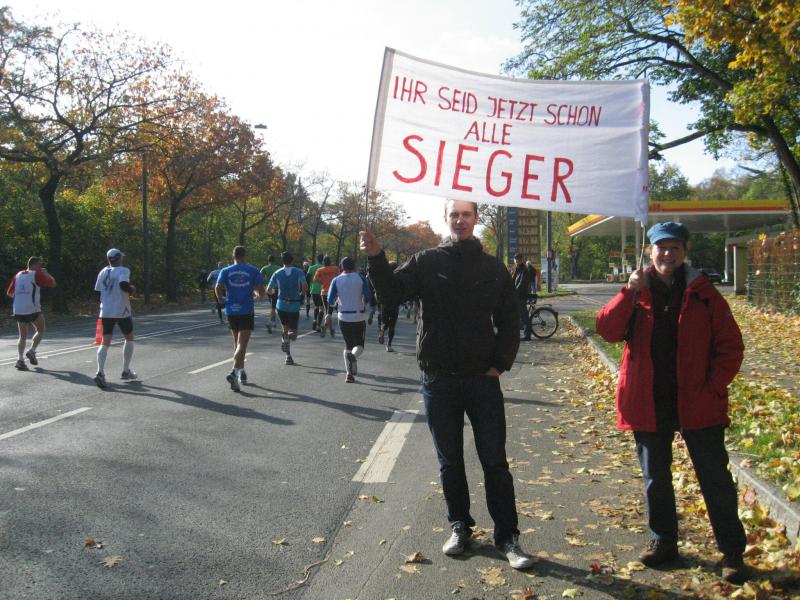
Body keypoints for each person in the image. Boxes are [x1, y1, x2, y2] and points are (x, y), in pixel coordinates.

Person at [361, 199, 534, 570]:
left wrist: (499, 364)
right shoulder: (427, 262)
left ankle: (508, 537)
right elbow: (391, 294)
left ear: (475, 219)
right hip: (439, 380)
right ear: (446, 219)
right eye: (454, 214)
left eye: (466, 214)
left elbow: (510, 319)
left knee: (495, 462)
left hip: (482, 380)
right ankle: (461, 526)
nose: (460, 220)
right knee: (450, 462)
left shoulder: (492, 267)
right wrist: (376, 257)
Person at [595, 222, 748, 585]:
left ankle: (732, 552)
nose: (667, 254)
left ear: (684, 252)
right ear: (650, 252)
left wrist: (714, 386)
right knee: (656, 478)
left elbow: (731, 345)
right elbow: (607, 330)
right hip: (649, 399)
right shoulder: (638, 290)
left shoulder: (704, 292)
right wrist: (628, 292)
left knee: (715, 478)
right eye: (661, 247)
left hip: (698, 400)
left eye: (674, 247)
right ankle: (664, 542)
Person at [215, 246, 266, 391]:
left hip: (231, 310)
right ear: (245, 256)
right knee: (242, 344)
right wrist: (258, 296)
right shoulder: (253, 270)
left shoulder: (225, 271)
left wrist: (221, 299)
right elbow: (261, 290)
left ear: (233, 256)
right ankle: (234, 371)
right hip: (246, 310)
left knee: (237, 342)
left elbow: (218, 287)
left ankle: (241, 372)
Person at [93, 249, 137, 388]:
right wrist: (132, 289)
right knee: (129, 337)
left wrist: (105, 302)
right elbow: (123, 285)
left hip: (106, 311)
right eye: (121, 257)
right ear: (119, 258)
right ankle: (125, 370)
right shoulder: (123, 270)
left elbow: (97, 291)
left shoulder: (103, 271)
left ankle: (100, 372)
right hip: (121, 310)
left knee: (105, 341)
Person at [6, 257, 57, 370]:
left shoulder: (18, 275)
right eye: (39, 265)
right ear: (33, 265)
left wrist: (21, 298)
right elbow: (53, 284)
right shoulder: (37, 274)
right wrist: (46, 273)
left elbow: (9, 293)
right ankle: (32, 350)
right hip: (32, 309)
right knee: (41, 329)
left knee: (22, 336)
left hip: (18, 310)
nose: (41, 267)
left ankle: (20, 360)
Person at [327, 257, 372, 382]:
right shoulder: (361, 278)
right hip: (358, 316)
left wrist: (336, 305)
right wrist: (365, 304)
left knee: (348, 345)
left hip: (343, 316)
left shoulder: (336, 280)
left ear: (341, 267)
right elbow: (368, 296)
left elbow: (330, 299)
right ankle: (353, 356)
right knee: (359, 346)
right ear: (354, 266)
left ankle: (349, 374)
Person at [266, 251, 307, 365]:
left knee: (284, 329)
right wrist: (302, 294)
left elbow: (268, 290)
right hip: (294, 305)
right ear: (292, 260)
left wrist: (274, 292)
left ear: (282, 261)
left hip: (281, 305)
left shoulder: (277, 273)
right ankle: (288, 337)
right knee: (293, 335)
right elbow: (304, 285)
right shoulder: (298, 272)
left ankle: (288, 356)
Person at [312, 256, 341, 338]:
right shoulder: (335, 269)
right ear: (330, 262)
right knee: (329, 312)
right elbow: (340, 278)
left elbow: (315, 280)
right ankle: (325, 326)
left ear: (323, 262)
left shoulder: (320, 270)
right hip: (333, 293)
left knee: (328, 311)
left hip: (324, 292)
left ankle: (331, 329)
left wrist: (323, 282)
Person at [374, 261, 399, 352]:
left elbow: (377, 289)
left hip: (384, 303)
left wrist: (378, 300)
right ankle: (389, 345)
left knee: (384, 321)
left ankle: (382, 328)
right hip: (394, 303)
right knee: (392, 325)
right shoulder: (398, 278)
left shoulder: (383, 278)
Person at [513, 253, 532, 341]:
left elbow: (521, 284)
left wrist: (514, 292)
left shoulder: (524, 270)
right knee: (517, 315)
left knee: (524, 316)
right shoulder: (517, 269)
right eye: (516, 260)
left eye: (518, 259)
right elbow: (512, 281)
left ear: (521, 260)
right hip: (517, 296)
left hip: (521, 296)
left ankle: (527, 335)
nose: (517, 261)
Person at [260, 255, 280, 333]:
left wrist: (266, 283)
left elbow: (260, 277)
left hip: (268, 289)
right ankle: (270, 322)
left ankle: (273, 322)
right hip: (276, 288)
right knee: (273, 307)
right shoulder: (278, 268)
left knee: (273, 306)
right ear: (274, 260)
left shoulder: (264, 268)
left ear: (268, 260)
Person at [307, 253, 324, 331]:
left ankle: (314, 320)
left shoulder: (311, 268)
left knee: (316, 306)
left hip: (313, 289)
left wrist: (307, 289)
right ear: (322, 259)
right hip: (322, 290)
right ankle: (318, 325)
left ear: (317, 259)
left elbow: (307, 278)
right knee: (321, 308)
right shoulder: (324, 268)